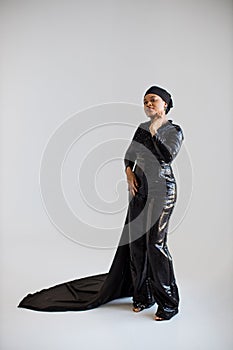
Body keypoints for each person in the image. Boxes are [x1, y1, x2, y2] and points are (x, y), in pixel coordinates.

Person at [18, 85, 184, 322]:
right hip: (139, 192)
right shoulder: (141, 128)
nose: (148, 104)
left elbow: (167, 155)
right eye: (145, 100)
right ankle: (143, 296)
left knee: (155, 245)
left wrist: (157, 130)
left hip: (162, 192)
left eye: (153, 100)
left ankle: (169, 304)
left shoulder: (173, 130)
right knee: (136, 245)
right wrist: (129, 171)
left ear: (165, 104)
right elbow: (130, 154)